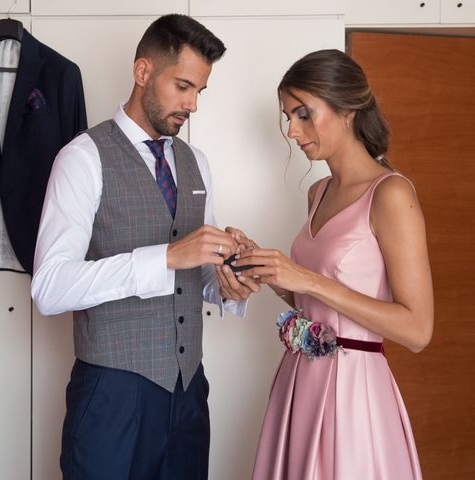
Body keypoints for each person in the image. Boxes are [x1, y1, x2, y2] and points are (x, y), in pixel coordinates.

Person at [31, 14, 255, 480]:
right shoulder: (82, 158)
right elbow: (49, 288)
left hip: (189, 389)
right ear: (143, 72)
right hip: (113, 394)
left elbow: (201, 272)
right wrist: (167, 257)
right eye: (183, 86)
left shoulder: (197, 164)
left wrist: (230, 284)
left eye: (200, 92)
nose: (193, 104)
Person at [231, 49, 434, 479]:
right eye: (288, 116)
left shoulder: (390, 194)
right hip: (298, 383)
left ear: (347, 110)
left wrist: (307, 278)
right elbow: (312, 297)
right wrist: (263, 266)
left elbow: (417, 330)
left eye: (304, 114)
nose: (291, 130)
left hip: (354, 392)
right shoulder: (318, 192)